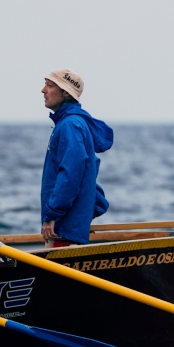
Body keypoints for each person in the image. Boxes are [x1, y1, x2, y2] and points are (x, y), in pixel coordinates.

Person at [40, 69, 114, 246]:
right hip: (67, 227)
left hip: (62, 230)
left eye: (50, 86)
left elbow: (71, 174)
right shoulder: (72, 123)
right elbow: (88, 170)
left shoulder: (70, 125)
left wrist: (52, 215)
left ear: (66, 93)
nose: (43, 90)